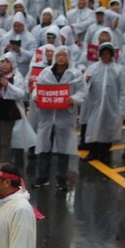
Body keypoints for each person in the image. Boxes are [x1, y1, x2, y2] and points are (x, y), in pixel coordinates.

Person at [32, 46, 86, 190]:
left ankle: (62, 180)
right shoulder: (46, 72)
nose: (61, 58)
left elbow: (82, 92)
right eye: (59, 55)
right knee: (44, 148)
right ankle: (42, 177)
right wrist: (35, 97)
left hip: (65, 118)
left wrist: (73, 99)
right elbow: (37, 89)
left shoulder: (75, 74)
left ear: (68, 57)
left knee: (64, 150)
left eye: (64, 55)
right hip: (47, 117)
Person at [84, 43, 125, 162]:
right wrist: (86, 81)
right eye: (103, 53)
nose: (105, 56)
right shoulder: (93, 68)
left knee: (108, 129)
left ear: (112, 54)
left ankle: (104, 152)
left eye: (108, 53)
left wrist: (121, 109)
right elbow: (84, 88)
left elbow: (123, 90)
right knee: (93, 128)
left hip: (111, 106)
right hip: (95, 105)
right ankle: (93, 152)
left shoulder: (118, 69)